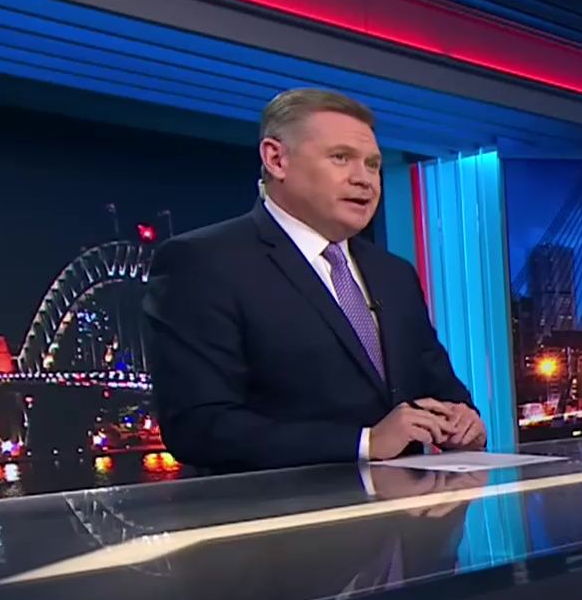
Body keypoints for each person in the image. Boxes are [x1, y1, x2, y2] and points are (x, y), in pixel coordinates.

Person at [144, 88, 485, 472]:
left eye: (372, 164)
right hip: (283, 509)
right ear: (277, 159)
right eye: (341, 158)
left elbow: (440, 389)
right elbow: (198, 426)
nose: (365, 180)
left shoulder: (394, 273)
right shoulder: (204, 261)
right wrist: (364, 442)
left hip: (407, 509)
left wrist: (462, 420)